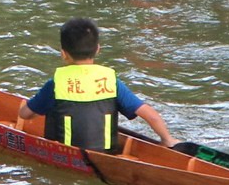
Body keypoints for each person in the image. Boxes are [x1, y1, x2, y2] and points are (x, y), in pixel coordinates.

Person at [17, 17, 178, 152]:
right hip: (107, 154)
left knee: (51, 109)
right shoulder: (111, 81)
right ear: (98, 49)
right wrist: (167, 140)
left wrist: (29, 108)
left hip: (67, 153)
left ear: (63, 54)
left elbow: (25, 115)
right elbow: (151, 115)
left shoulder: (56, 84)